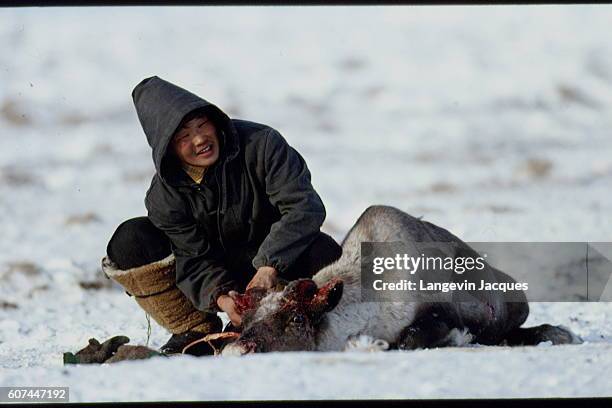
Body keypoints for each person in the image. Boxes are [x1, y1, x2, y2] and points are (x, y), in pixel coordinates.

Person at [103, 76, 342, 354]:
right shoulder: (163, 196)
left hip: (278, 268)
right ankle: (196, 329)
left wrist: (268, 266)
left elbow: (304, 207)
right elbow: (191, 258)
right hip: (222, 279)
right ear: (167, 148)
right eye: (183, 136)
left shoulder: (262, 144)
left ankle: (291, 319)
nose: (200, 138)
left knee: (326, 254)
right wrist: (222, 297)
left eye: (202, 125)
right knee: (131, 239)